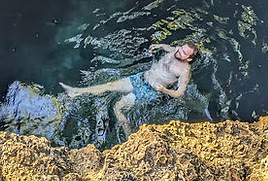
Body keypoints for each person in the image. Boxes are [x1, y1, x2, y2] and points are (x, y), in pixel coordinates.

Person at [60, 42, 199, 137]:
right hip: (141, 78)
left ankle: (129, 136)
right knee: (110, 86)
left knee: (117, 108)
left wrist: (164, 90)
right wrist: (157, 46)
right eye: (181, 48)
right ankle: (76, 91)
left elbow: (180, 93)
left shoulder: (184, 72)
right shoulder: (175, 50)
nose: (179, 51)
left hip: (148, 91)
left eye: (184, 52)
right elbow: (167, 47)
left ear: (189, 59)